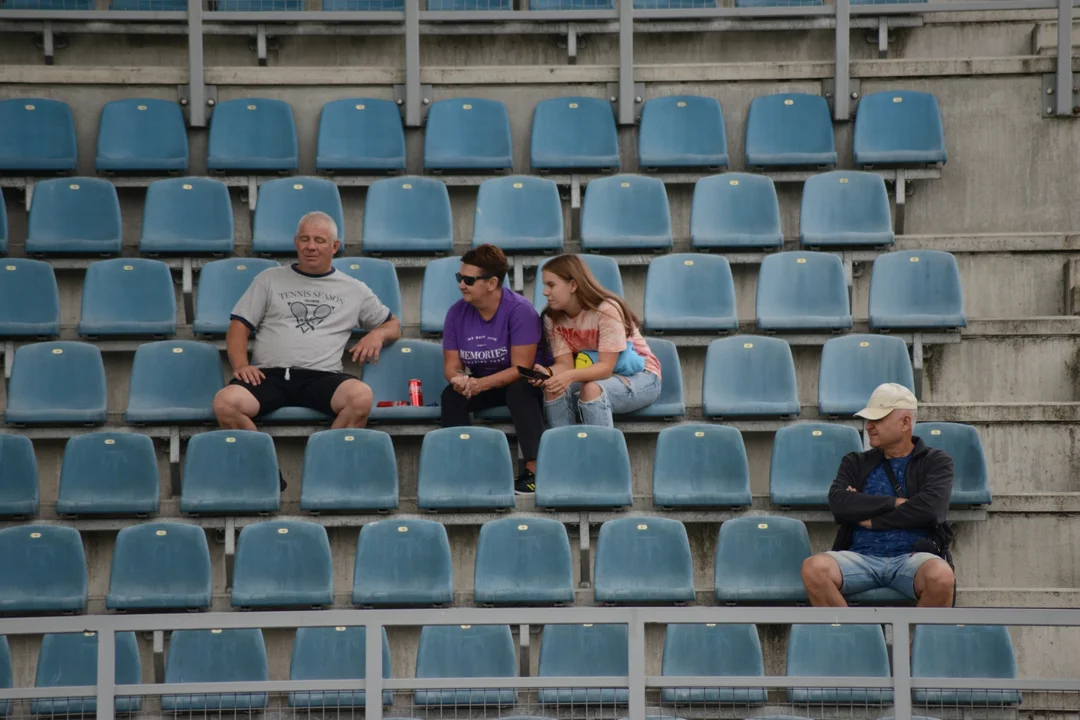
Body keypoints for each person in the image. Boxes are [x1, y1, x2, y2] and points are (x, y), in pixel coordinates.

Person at [213, 211, 401, 434]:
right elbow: (239, 325)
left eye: (319, 240)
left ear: (334, 246)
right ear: (296, 242)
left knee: (361, 397)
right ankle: (265, 466)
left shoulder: (354, 289)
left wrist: (377, 334)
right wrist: (241, 365)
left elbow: (393, 325)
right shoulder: (269, 279)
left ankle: (325, 463)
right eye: (305, 239)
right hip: (269, 376)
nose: (311, 246)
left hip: (323, 377)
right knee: (225, 403)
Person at [801, 383, 956, 607]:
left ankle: (919, 643)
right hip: (859, 557)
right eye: (868, 420)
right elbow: (839, 504)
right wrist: (897, 503)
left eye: (878, 419)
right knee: (813, 569)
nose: (869, 426)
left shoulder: (936, 461)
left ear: (905, 422)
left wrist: (871, 519)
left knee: (941, 577)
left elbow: (931, 510)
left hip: (913, 558)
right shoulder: (854, 462)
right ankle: (856, 640)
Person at [442, 244, 547, 495]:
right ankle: (464, 471)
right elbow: (451, 365)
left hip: (524, 381)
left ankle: (535, 472)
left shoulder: (519, 311)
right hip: (483, 380)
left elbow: (522, 368)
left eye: (468, 279)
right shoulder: (456, 313)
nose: (461, 285)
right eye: (460, 278)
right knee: (451, 396)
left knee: (520, 389)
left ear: (491, 283)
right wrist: (459, 380)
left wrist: (479, 384)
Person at [533, 254, 661, 428]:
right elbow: (565, 365)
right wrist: (548, 372)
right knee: (553, 387)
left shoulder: (606, 310)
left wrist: (569, 376)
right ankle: (564, 450)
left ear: (573, 285)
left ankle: (603, 453)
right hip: (596, 374)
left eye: (551, 285)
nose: (545, 292)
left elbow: (605, 368)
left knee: (591, 390)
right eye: (545, 285)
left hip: (641, 376)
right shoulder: (552, 318)